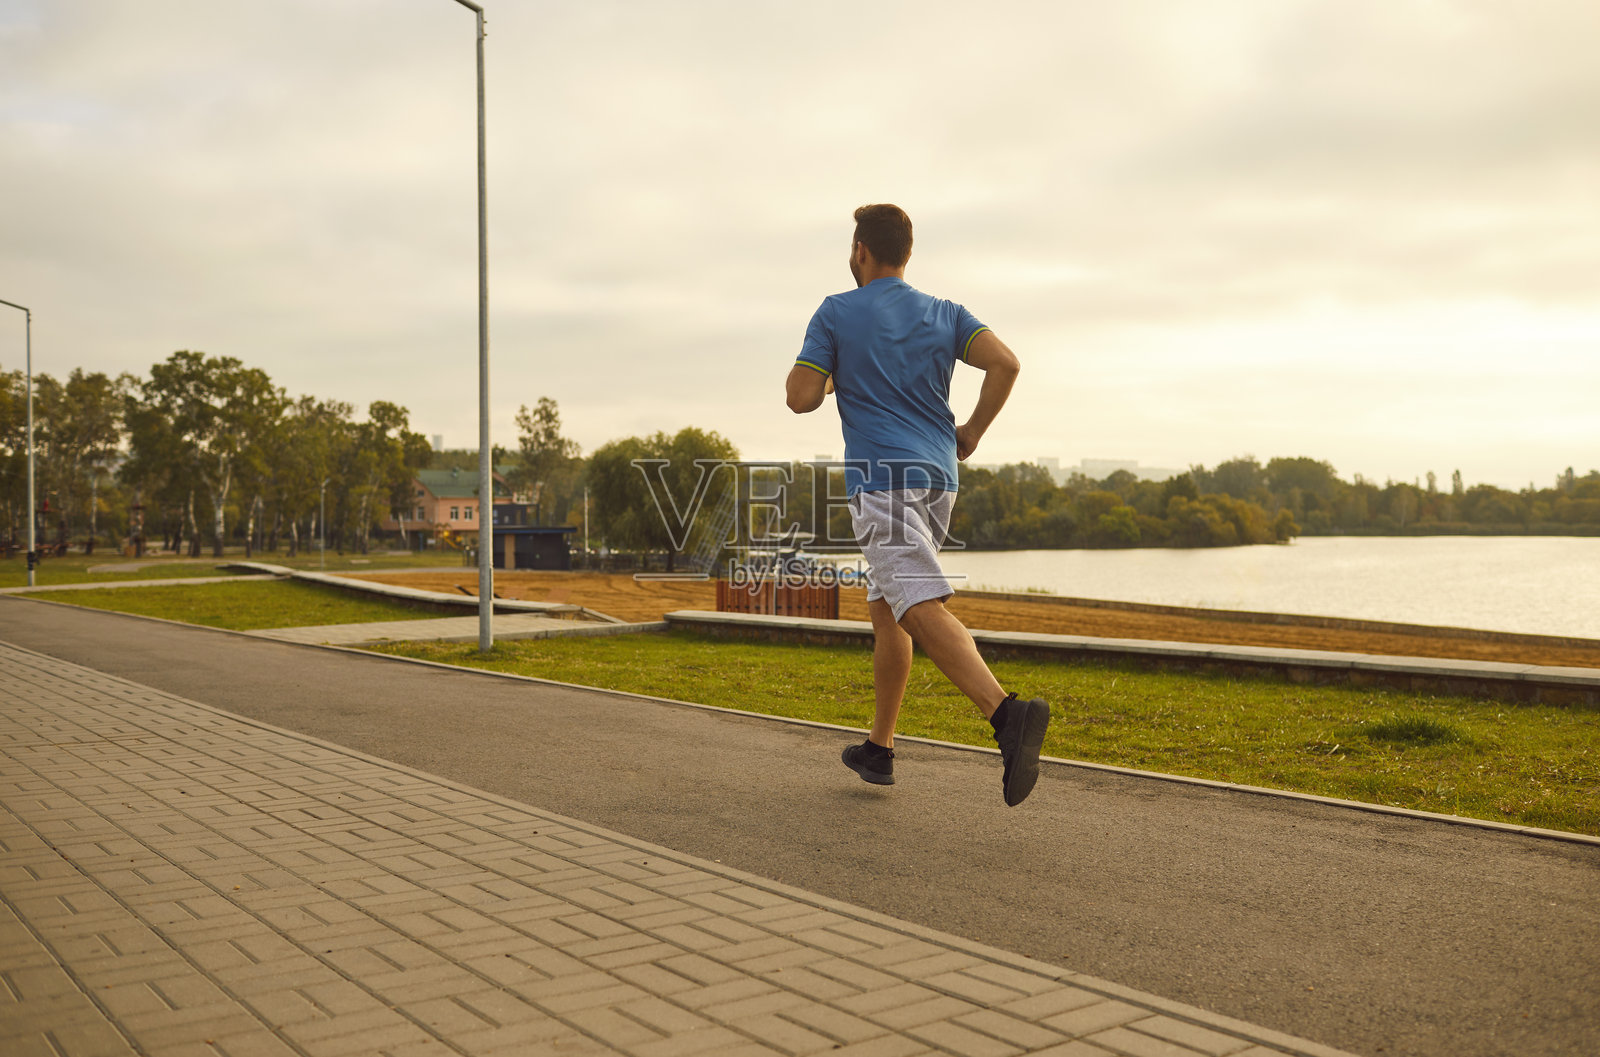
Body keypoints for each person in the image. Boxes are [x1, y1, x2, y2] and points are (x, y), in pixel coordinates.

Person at [785, 203, 1051, 807]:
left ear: (860, 251)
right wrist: (974, 433)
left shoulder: (836, 312)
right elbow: (1005, 364)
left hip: (882, 480)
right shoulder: (945, 313)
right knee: (889, 608)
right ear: (906, 254)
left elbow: (801, 397)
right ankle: (879, 748)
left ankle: (1007, 714)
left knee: (915, 602)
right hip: (939, 477)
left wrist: (832, 373)